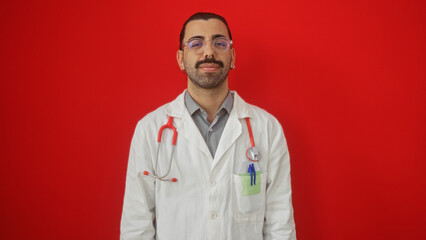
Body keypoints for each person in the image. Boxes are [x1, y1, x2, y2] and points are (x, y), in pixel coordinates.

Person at [120, 12, 296, 240]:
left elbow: (281, 226)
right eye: (196, 43)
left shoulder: (268, 129)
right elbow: (137, 227)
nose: (209, 52)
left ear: (232, 56)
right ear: (181, 59)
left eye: (219, 43)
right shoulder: (150, 130)